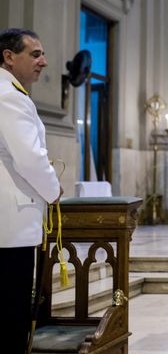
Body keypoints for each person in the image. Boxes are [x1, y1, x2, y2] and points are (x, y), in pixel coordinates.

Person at [0, 28, 62, 353]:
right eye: (35, 54)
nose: (44, 61)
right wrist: (54, 189)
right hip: (11, 228)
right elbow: (29, 158)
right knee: (12, 317)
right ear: (9, 57)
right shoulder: (9, 95)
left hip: (10, 226)